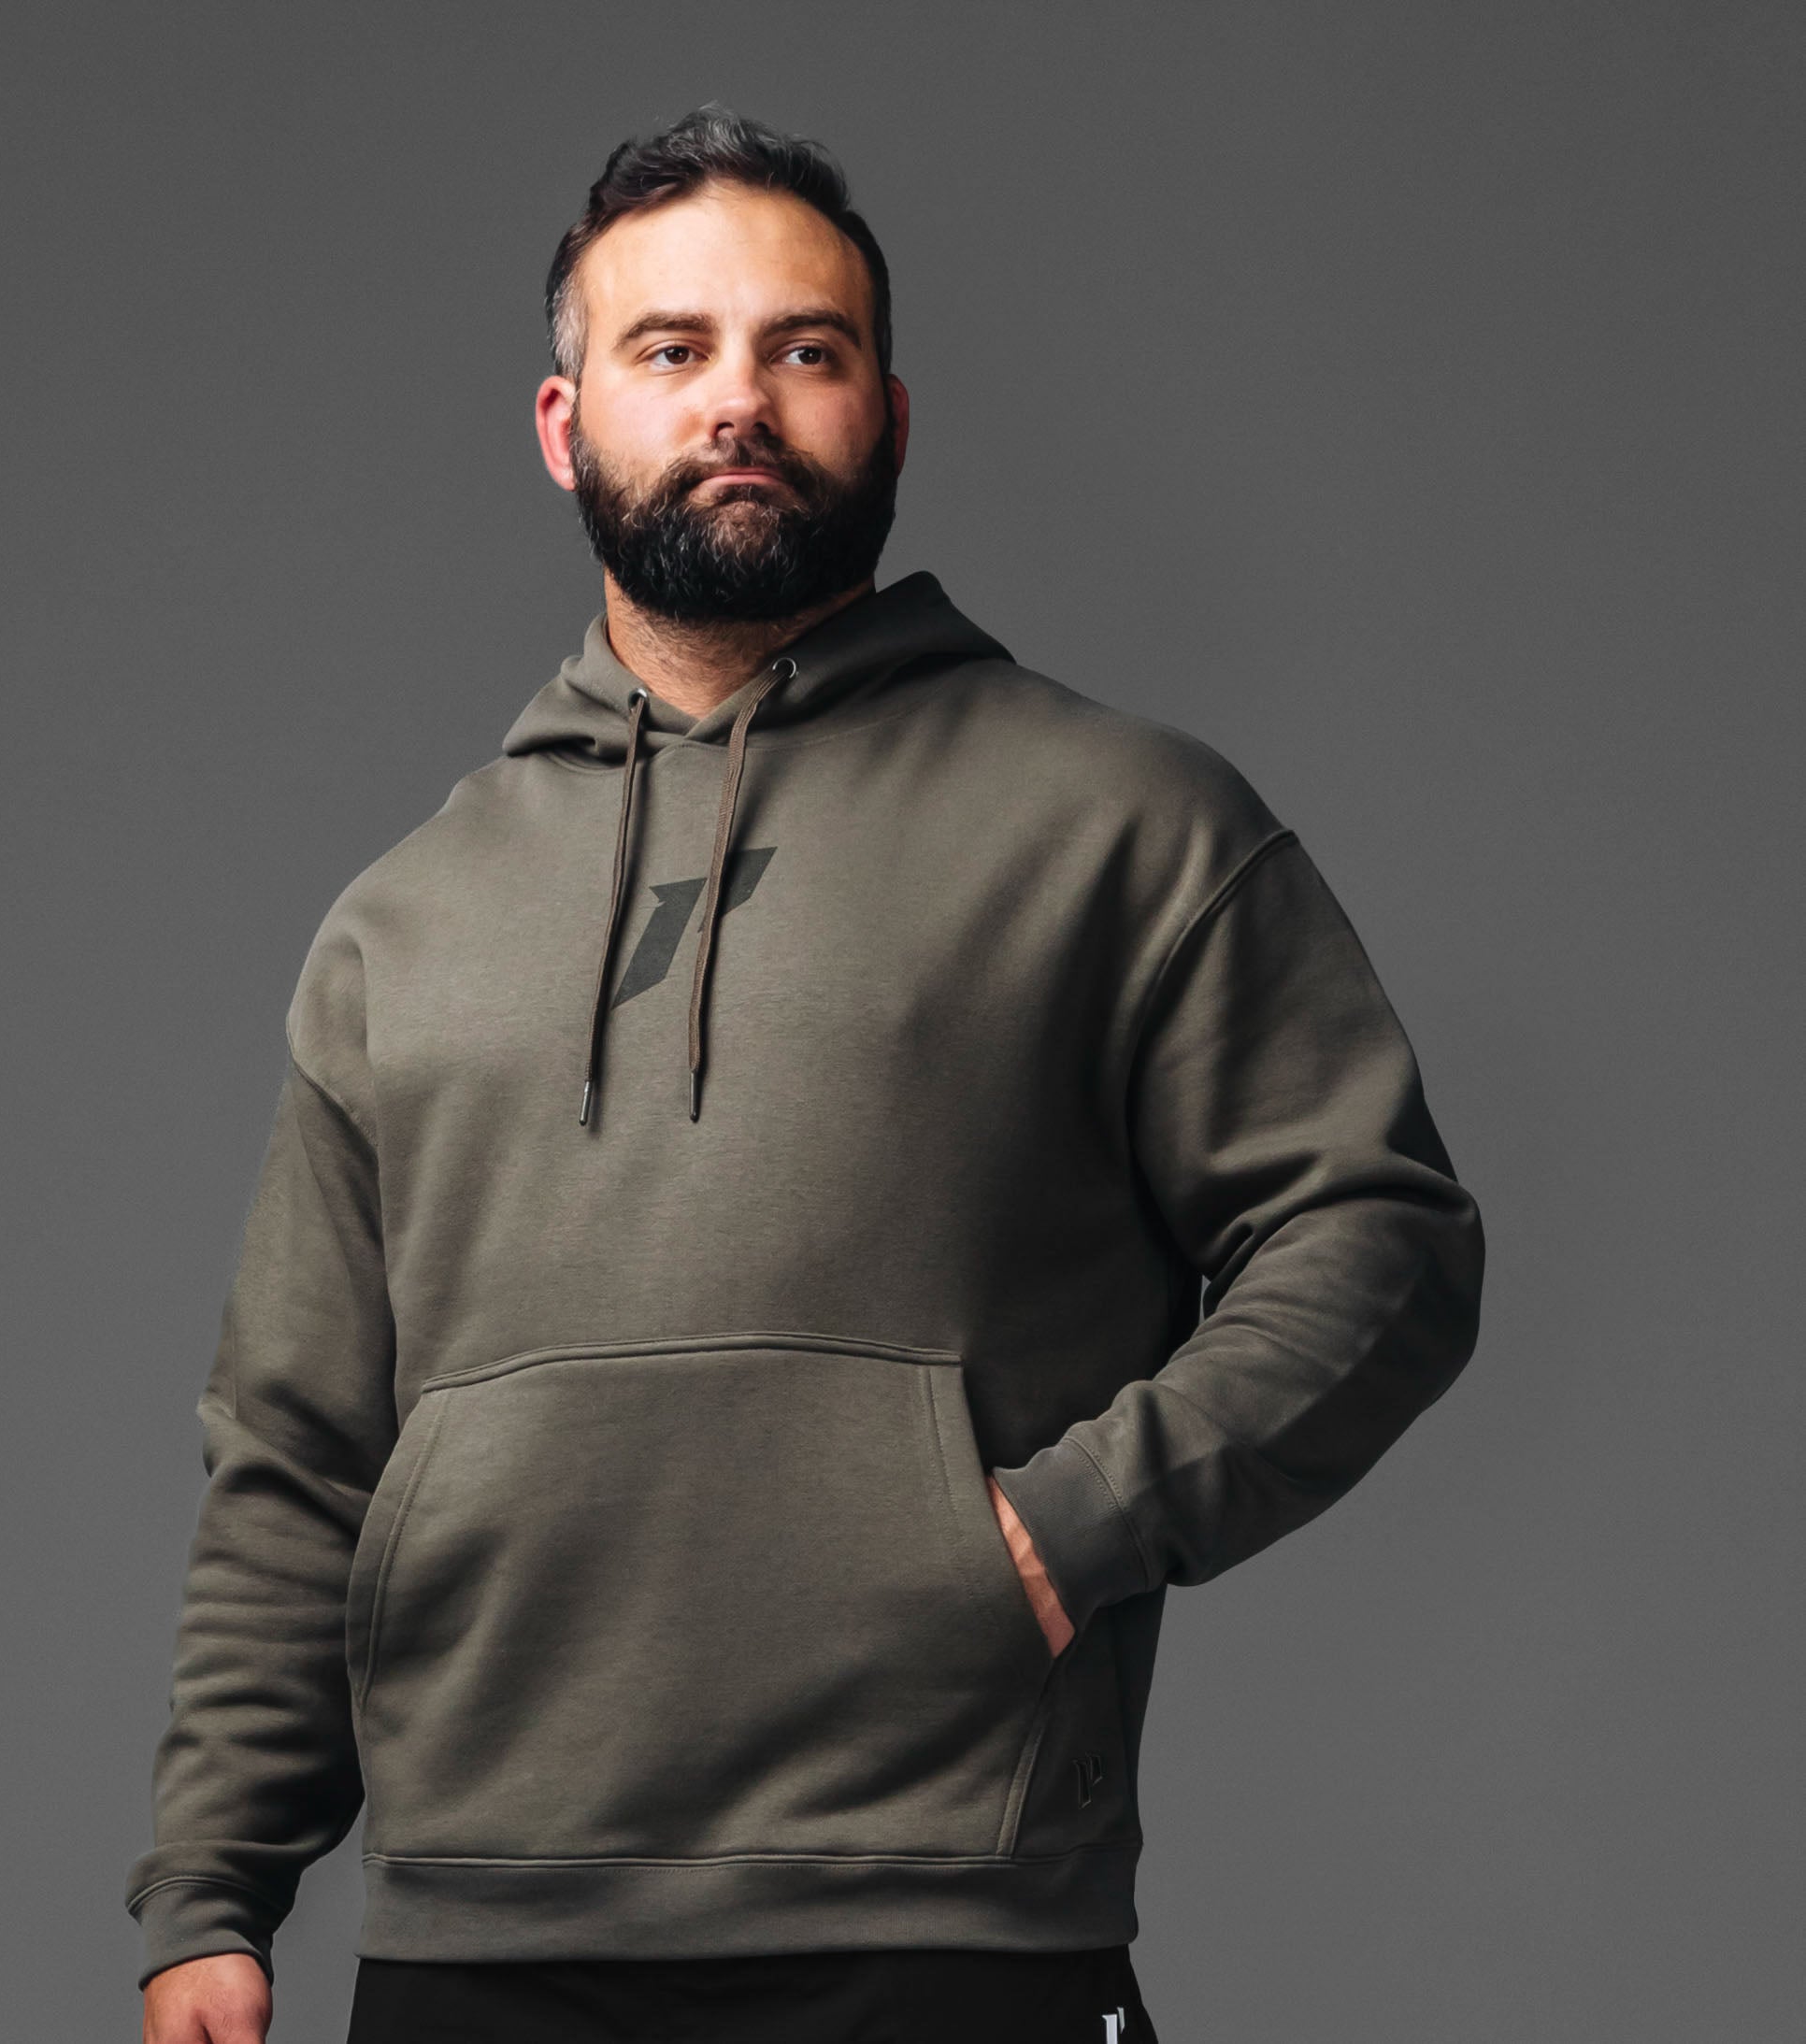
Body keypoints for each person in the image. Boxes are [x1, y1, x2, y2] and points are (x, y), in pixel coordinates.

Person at [126, 105, 1485, 2044]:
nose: (737, 402)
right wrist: (212, 1885)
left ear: (891, 419)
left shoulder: (1117, 823)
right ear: (563, 424)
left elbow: (1379, 1239)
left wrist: (1058, 1534)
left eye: (805, 350)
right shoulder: (402, 923)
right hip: (477, 1931)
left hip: (949, 1908)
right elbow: (296, 1445)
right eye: (671, 349)